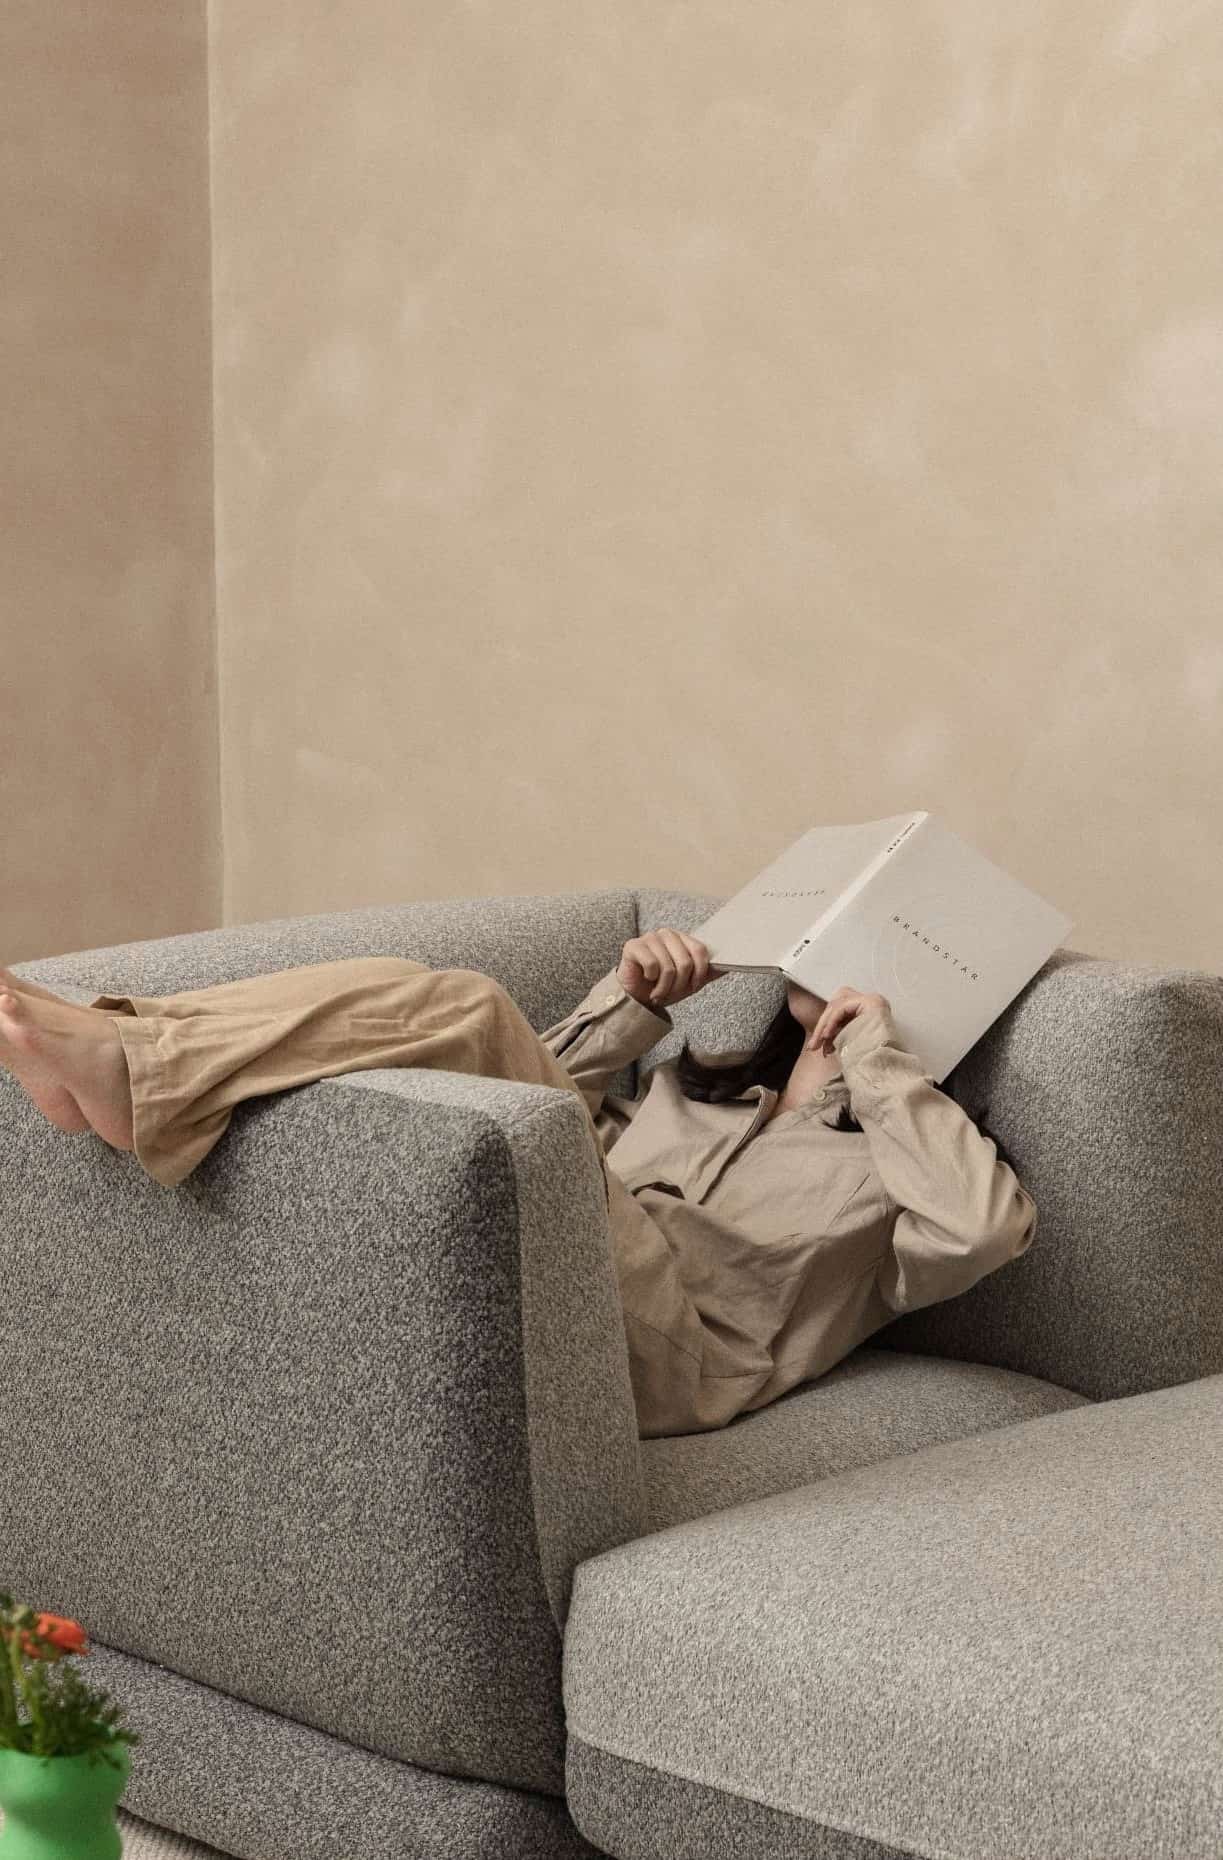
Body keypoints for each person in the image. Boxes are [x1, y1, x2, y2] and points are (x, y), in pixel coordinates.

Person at [0, 929, 1037, 1438]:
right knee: (419, 993)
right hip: (573, 1267)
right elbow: (521, 1115)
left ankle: (133, 1063)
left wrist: (878, 1064)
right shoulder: (700, 1090)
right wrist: (630, 1003)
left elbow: (980, 1233)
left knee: (470, 1008)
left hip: (672, 1356)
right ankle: (122, 1045)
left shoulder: (894, 1167)